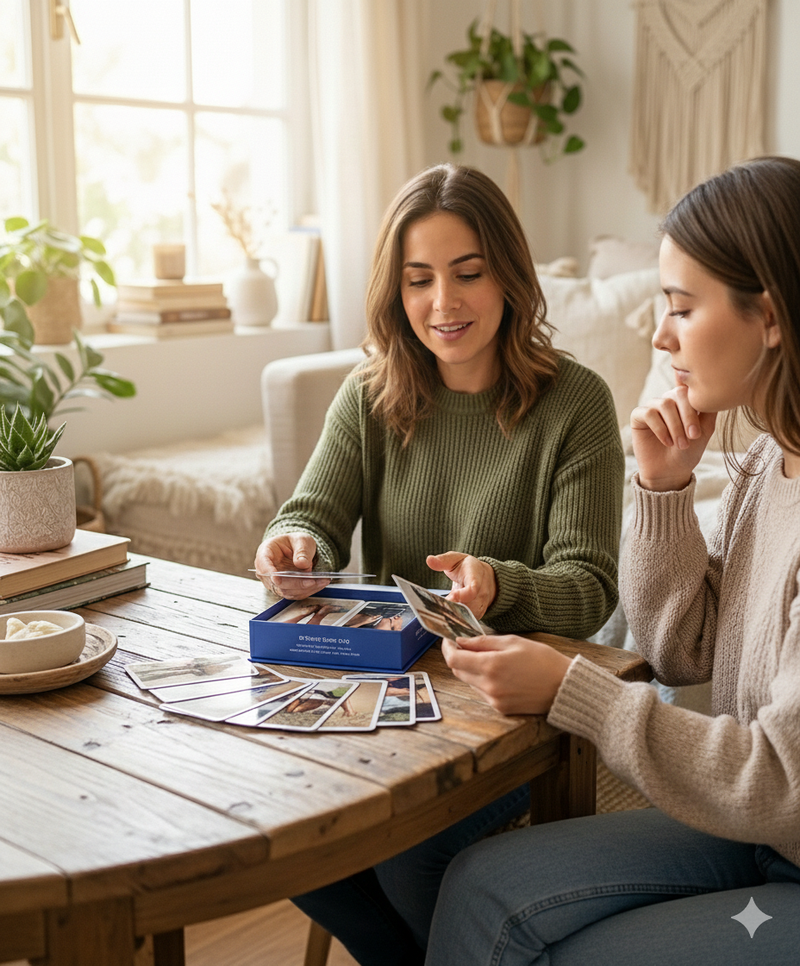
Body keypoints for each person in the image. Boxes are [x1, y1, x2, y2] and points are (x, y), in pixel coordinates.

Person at [425, 156, 800, 966]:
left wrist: (573, 692)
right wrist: (663, 491)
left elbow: (781, 782)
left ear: (769, 317)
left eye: (682, 306)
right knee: (479, 885)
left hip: (782, 827)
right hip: (761, 836)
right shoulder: (772, 465)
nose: (660, 335)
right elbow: (680, 651)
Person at [254, 163, 625, 965]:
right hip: (393, 706)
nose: (443, 304)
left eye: (468, 273)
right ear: (396, 292)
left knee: (408, 852)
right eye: (419, 280)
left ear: (509, 277)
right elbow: (311, 513)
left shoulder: (577, 404)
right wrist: (294, 547)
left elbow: (591, 590)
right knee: (275, 825)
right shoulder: (369, 394)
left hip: (518, 717)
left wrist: (499, 583)